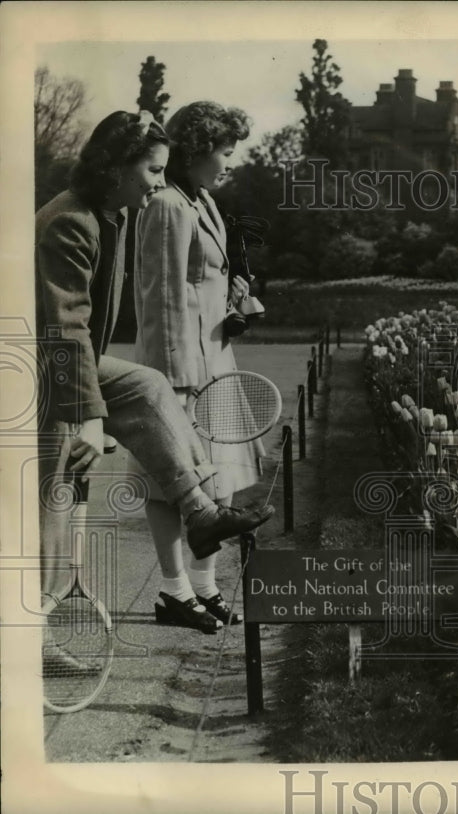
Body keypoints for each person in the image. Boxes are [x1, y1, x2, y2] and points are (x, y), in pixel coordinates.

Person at [35, 111, 275, 659]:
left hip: (72, 362)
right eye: (151, 170)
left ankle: (201, 512)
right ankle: (39, 635)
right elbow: (66, 325)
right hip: (39, 369)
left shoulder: (108, 214)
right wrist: (92, 419)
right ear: (115, 166)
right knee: (55, 494)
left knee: (145, 385)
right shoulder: (70, 221)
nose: (159, 183)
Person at [132, 101, 264, 633]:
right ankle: (174, 592)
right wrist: (173, 384)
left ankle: (205, 587)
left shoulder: (202, 200)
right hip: (181, 368)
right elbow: (161, 300)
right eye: (225, 151)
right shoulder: (166, 205)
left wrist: (230, 305)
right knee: (172, 481)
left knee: (223, 481)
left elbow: (195, 284)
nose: (230, 161)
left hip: (216, 359)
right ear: (197, 150)